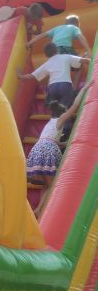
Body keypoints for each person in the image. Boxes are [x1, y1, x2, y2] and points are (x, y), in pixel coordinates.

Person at [27, 84, 91, 214]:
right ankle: (39, 210)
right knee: (52, 185)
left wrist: (63, 143)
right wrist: (84, 89)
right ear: (62, 113)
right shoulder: (61, 119)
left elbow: (51, 139)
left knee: (45, 185)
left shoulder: (49, 123)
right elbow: (75, 106)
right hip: (48, 150)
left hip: (37, 149)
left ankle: (40, 209)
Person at [17, 42, 90, 108]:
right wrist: (90, 60)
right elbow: (84, 61)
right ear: (57, 50)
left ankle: (55, 117)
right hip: (65, 85)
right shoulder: (66, 57)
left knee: (55, 110)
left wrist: (20, 76)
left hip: (52, 87)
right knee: (64, 108)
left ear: (46, 55)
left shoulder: (47, 64)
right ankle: (66, 117)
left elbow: (33, 76)